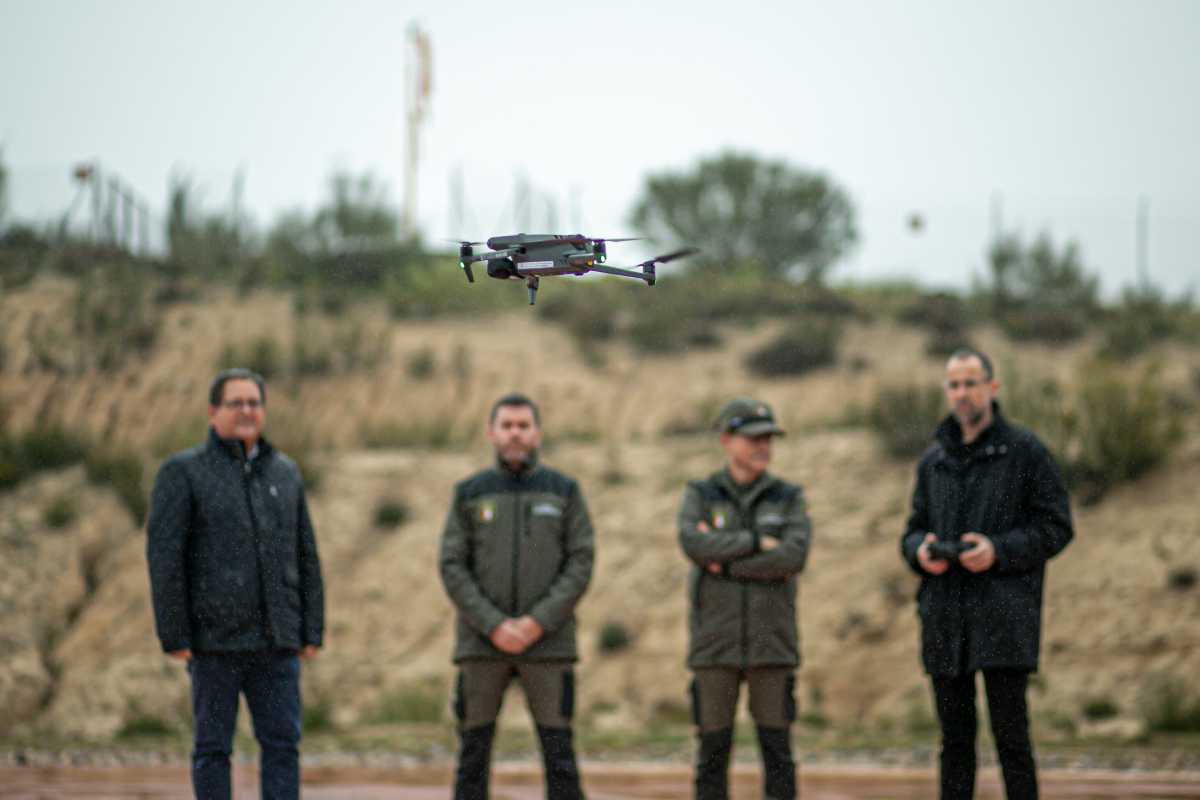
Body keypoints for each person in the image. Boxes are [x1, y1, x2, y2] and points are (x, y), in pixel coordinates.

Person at [901, 348, 1073, 800]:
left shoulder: (1025, 452)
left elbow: (1056, 527)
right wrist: (921, 551)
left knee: (1012, 740)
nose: (962, 393)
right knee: (954, 744)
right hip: (943, 618)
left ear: (992, 388)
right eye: (954, 385)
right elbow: (912, 530)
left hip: (1004, 616)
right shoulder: (932, 460)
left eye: (970, 383)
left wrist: (998, 550)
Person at [146, 368, 324, 800]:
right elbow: (164, 558)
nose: (246, 411)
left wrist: (311, 630)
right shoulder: (183, 473)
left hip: (277, 642)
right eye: (235, 403)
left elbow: (306, 555)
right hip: (213, 642)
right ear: (213, 412)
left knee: (283, 747)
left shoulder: (285, 473)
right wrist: (175, 633)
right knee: (212, 750)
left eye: (254, 403)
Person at [439, 392, 595, 800]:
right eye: (507, 426)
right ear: (492, 433)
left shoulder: (564, 491)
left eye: (523, 426)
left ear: (537, 433)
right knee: (473, 754)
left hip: (549, 644)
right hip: (481, 644)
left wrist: (535, 622)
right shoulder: (469, 493)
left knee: (559, 754)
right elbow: (452, 565)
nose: (515, 434)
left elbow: (580, 562)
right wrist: (493, 624)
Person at [677, 397, 812, 800]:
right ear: (726, 440)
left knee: (778, 754)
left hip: (772, 646)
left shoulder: (788, 496)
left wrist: (728, 563)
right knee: (711, 755)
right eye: (754, 438)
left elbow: (793, 555)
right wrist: (754, 542)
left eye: (768, 438)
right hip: (714, 646)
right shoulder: (701, 493)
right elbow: (693, 542)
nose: (763, 446)